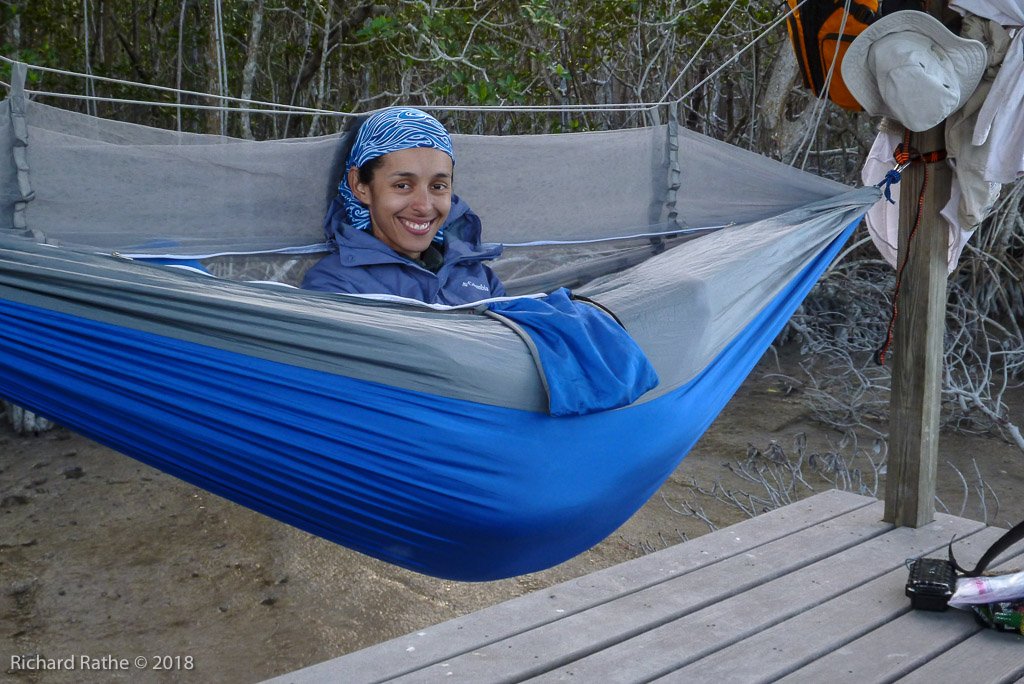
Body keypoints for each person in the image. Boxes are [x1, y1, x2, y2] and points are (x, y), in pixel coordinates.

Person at [301, 107, 506, 305]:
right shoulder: (335, 286)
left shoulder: (479, 276)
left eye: (437, 186)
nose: (424, 206)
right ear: (359, 186)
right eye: (403, 185)